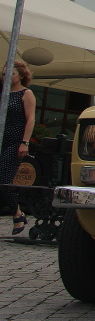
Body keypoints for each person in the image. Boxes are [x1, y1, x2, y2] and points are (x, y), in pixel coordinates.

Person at [1, 60, 36, 235]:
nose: (6, 76)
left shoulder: (26, 93)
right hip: (1, 139)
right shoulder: (3, 93)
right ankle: (17, 214)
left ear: (21, 75)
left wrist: (25, 142)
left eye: (11, 73)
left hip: (15, 141)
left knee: (4, 179)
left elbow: (30, 119)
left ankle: (17, 213)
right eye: (4, 73)